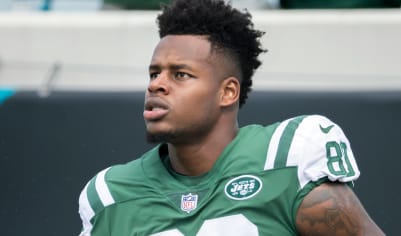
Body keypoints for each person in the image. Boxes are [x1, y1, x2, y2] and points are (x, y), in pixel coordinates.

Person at [78, 0, 385, 235]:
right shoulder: (113, 195)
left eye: (180, 74)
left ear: (227, 93)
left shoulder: (286, 161)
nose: (156, 84)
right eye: (154, 72)